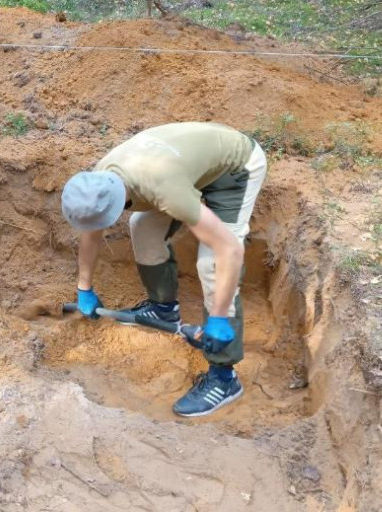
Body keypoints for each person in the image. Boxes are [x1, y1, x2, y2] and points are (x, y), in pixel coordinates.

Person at [61, 122, 267, 417]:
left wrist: (219, 318)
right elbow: (91, 233)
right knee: (142, 226)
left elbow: (230, 250)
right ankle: (163, 308)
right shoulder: (98, 181)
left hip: (235, 168)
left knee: (211, 264)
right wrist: (84, 289)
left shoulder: (165, 190)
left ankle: (224, 375)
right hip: (186, 163)